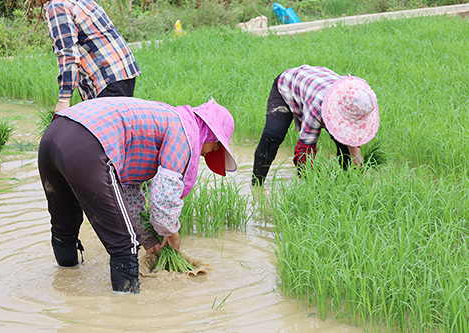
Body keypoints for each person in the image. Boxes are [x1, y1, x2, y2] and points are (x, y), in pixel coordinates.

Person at [38, 97, 237, 293]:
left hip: (53, 136)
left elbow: (129, 192)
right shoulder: (183, 133)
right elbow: (163, 199)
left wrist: (150, 240)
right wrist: (170, 232)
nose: (207, 153)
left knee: (65, 224)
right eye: (217, 146)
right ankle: (127, 312)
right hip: (89, 143)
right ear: (211, 136)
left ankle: (65, 285)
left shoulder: (164, 119)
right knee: (125, 244)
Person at [251, 64, 379, 186]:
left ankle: (348, 183)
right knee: (272, 136)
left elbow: (350, 139)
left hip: (316, 84)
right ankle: (257, 186)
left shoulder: (358, 100)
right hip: (288, 85)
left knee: (343, 145)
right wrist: (313, 184)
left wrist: (357, 160)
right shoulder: (318, 107)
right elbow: (304, 151)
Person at [37, 0, 141, 113]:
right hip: (122, 71)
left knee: (103, 128)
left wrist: (64, 99)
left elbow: (68, 54)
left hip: (107, 78)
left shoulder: (57, 6)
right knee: (117, 126)